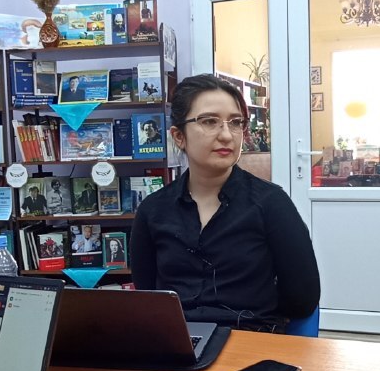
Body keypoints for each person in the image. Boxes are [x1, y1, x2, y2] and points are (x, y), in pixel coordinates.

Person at [130, 73, 320, 333]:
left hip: (249, 337)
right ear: (179, 136)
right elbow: (148, 293)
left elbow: (302, 298)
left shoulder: (271, 204)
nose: (227, 135)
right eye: (210, 121)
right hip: (177, 340)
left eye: (236, 123)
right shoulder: (153, 210)